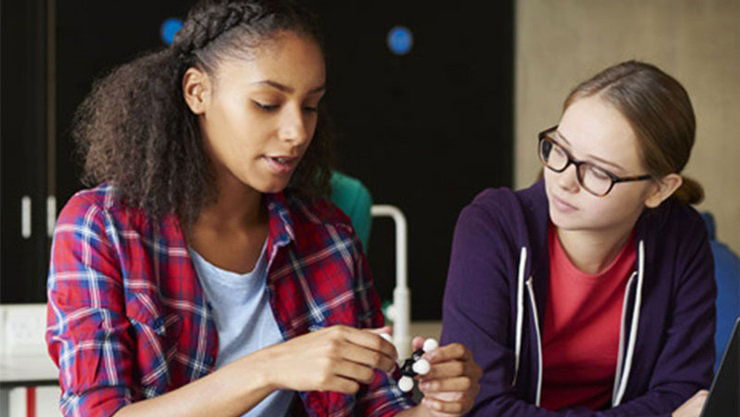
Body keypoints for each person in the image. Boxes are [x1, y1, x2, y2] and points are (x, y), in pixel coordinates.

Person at [45, 1, 481, 416]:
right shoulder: (100, 226)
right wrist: (270, 367)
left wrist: (434, 408)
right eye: (267, 104)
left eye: (310, 106)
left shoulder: (329, 236)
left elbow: (373, 408)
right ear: (197, 92)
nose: (296, 131)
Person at [441, 61, 715, 416]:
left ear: (659, 189)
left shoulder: (681, 237)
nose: (565, 181)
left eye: (598, 171)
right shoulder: (493, 227)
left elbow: (684, 393)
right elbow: (480, 407)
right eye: (560, 150)